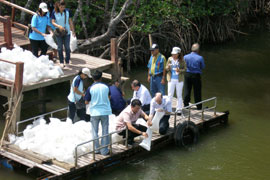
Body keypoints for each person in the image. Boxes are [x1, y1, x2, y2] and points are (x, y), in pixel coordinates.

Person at [84, 70, 112, 155]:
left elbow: (86, 102)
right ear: (101, 77)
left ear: (93, 78)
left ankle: (96, 149)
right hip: (105, 111)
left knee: (94, 131)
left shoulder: (90, 88)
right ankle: (104, 151)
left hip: (94, 112)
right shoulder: (106, 87)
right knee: (105, 131)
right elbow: (109, 96)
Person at [51, 0, 75, 68]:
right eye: (61, 7)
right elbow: (52, 22)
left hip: (66, 31)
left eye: (63, 7)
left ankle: (67, 60)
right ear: (58, 6)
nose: (62, 8)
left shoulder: (67, 11)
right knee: (60, 47)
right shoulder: (54, 12)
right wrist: (58, 26)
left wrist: (73, 30)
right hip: (58, 32)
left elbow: (70, 21)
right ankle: (61, 61)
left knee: (67, 47)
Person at [183, 43, 205, 110]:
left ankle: (186, 104)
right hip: (196, 76)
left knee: (187, 90)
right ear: (198, 50)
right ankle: (198, 106)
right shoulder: (200, 58)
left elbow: (183, 65)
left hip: (187, 74)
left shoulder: (185, 57)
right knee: (197, 91)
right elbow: (203, 66)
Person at [166, 47, 186, 113]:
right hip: (171, 79)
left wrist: (179, 70)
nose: (173, 55)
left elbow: (185, 69)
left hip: (179, 80)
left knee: (179, 95)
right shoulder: (169, 59)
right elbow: (166, 68)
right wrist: (168, 67)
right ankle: (169, 109)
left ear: (178, 54)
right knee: (170, 94)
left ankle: (179, 109)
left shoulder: (182, 60)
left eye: (175, 54)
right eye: (173, 54)